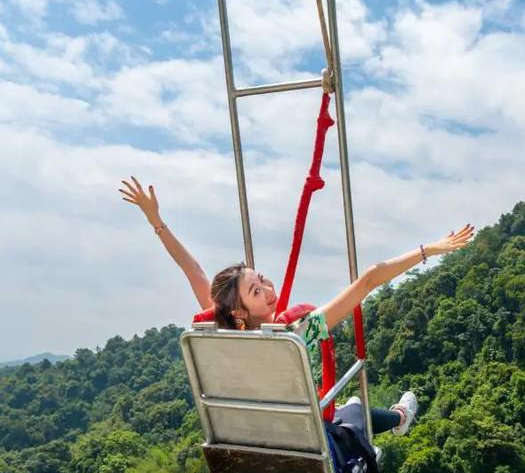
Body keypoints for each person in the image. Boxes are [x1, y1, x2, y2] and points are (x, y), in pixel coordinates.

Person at [119, 176, 474, 436]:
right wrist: (428, 250)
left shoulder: (223, 332)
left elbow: (191, 269)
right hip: (304, 433)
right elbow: (369, 280)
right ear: (241, 311)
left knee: (347, 410)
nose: (270, 290)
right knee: (351, 412)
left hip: (256, 430)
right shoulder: (295, 333)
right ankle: (400, 419)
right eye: (257, 292)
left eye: (262, 281)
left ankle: (389, 417)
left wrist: (155, 221)